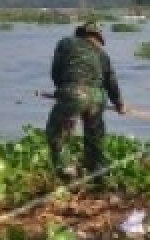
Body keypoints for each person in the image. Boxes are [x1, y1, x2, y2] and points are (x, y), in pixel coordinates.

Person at [45, 21, 127, 179]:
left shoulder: (66, 42)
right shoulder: (103, 54)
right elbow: (111, 82)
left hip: (74, 93)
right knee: (94, 139)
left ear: (81, 33)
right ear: (97, 37)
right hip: (98, 97)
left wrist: (63, 92)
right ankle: (99, 174)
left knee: (55, 134)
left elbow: (56, 71)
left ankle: (67, 172)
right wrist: (119, 104)